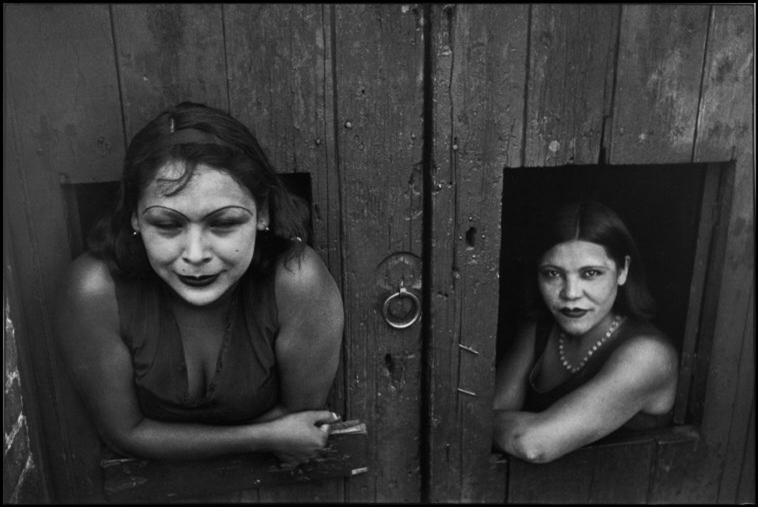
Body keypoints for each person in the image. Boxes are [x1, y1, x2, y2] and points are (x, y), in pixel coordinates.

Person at [55, 102, 344, 465]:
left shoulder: (296, 283)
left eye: (223, 223)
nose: (195, 254)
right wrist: (265, 437)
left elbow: (300, 419)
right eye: (167, 225)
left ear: (263, 213)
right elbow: (123, 433)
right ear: (134, 217)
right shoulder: (95, 290)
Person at [493, 200, 678, 464]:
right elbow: (486, 414)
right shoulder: (540, 330)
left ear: (623, 270)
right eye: (552, 274)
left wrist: (511, 426)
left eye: (591, 273)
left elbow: (533, 444)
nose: (570, 294)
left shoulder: (649, 356)